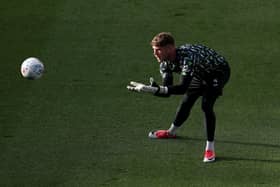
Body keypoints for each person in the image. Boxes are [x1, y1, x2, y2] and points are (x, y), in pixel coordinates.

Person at [127, 32, 230, 162]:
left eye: (158, 50)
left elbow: (182, 87)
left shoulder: (188, 58)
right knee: (187, 100)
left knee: (206, 105)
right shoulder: (164, 64)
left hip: (218, 72)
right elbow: (167, 91)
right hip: (199, 73)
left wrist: (157, 89)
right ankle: (171, 132)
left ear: (170, 48)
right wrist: (152, 90)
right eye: (154, 50)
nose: (155, 54)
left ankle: (210, 148)